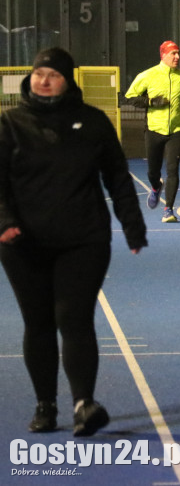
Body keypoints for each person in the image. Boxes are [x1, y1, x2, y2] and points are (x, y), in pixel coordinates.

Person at [0, 48, 147, 437]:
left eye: (53, 74)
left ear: (68, 80)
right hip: (23, 243)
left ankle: (84, 403)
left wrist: (133, 227)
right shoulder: (11, 123)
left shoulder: (93, 122)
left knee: (74, 317)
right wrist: (5, 222)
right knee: (39, 322)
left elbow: (117, 177)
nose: (44, 80)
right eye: (38, 74)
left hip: (83, 239)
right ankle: (45, 405)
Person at [123, 40, 180, 223]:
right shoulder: (148, 75)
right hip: (154, 129)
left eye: (178, 53)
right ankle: (156, 187)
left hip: (176, 130)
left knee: (173, 170)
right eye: (173, 54)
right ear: (163, 55)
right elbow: (129, 97)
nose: (177, 57)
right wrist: (150, 102)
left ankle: (168, 210)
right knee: (152, 172)